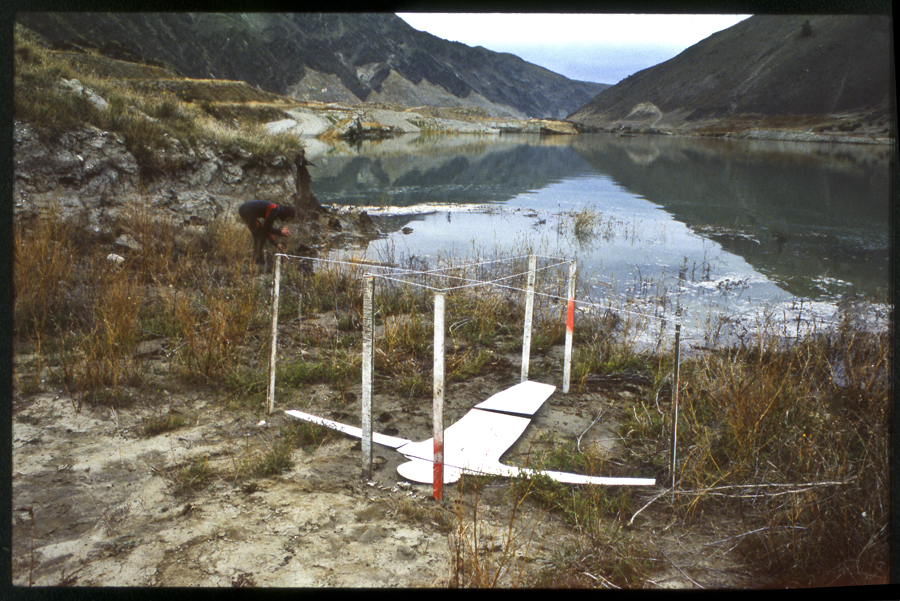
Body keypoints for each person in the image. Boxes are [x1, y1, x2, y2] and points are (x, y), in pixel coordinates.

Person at [238, 200, 296, 265]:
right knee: (258, 233)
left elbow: (267, 230)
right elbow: (266, 229)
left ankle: (258, 259)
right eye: (289, 219)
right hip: (246, 210)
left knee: (260, 232)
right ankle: (257, 260)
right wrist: (280, 232)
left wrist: (275, 243)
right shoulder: (275, 209)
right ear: (287, 215)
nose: (287, 221)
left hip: (245, 210)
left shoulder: (276, 211)